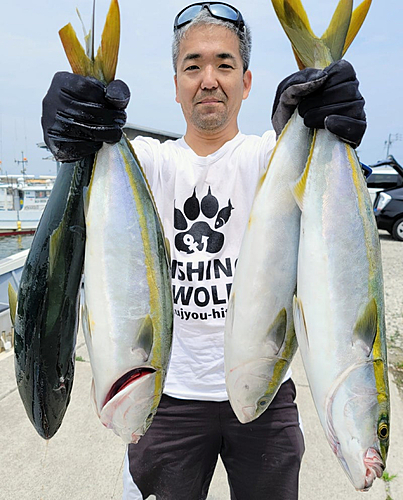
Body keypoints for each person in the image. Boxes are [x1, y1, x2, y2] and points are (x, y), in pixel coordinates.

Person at [41, 3, 367, 499]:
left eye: (224, 64)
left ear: (248, 81)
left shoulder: (271, 158)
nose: (208, 79)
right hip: (164, 394)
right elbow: (84, 176)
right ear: (175, 84)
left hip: (265, 389)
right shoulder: (147, 161)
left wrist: (317, 123)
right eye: (192, 65)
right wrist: (68, 137)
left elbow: (332, 206)